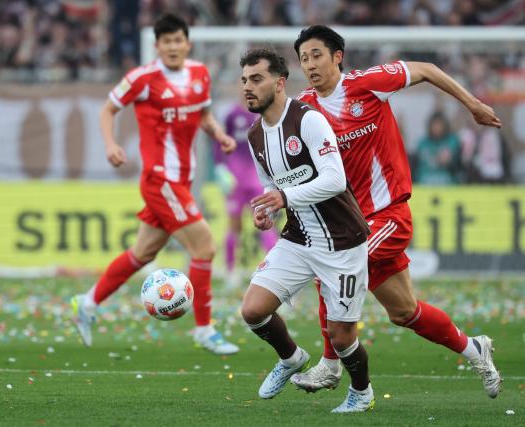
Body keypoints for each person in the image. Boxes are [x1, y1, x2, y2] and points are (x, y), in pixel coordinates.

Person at [290, 25, 502, 398]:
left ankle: (330, 364)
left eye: (316, 55)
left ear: (337, 56)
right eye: (304, 58)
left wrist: (472, 105)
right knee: (405, 313)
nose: (310, 64)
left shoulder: (368, 83)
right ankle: (475, 348)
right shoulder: (305, 108)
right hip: (354, 222)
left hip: (388, 214)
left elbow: (429, 70)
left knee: (333, 266)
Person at [71, 14, 239, 356]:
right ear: (157, 45)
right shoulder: (143, 78)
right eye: (167, 42)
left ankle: (86, 303)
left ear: (187, 43)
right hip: (160, 180)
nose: (173, 47)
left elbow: (202, 113)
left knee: (142, 253)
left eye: (179, 40)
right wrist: (110, 144)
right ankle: (205, 331)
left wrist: (218, 133)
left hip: (182, 181)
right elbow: (108, 109)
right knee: (205, 246)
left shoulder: (199, 74)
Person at [240, 47, 374, 413]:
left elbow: (335, 179)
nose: (248, 88)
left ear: (280, 82)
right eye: (244, 81)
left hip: (342, 241)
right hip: (299, 237)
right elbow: (271, 185)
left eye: (256, 79)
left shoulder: (308, 120)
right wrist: (268, 210)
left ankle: (361, 392)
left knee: (342, 336)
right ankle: (291, 358)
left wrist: (284, 196)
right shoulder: (255, 136)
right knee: (253, 311)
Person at [212, 101, 279, 287]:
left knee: (266, 223)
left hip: (257, 179)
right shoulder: (231, 114)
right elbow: (219, 143)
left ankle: (274, 271)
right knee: (234, 225)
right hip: (235, 180)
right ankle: (231, 272)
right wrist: (220, 167)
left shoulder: (263, 114)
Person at [414, 112, 461, 185]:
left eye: (439, 124)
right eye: (435, 124)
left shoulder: (452, 141)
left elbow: (459, 165)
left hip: (447, 181)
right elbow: (416, 168)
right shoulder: (422, 143)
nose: (437, 127)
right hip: (424, 182)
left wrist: (450, 160)